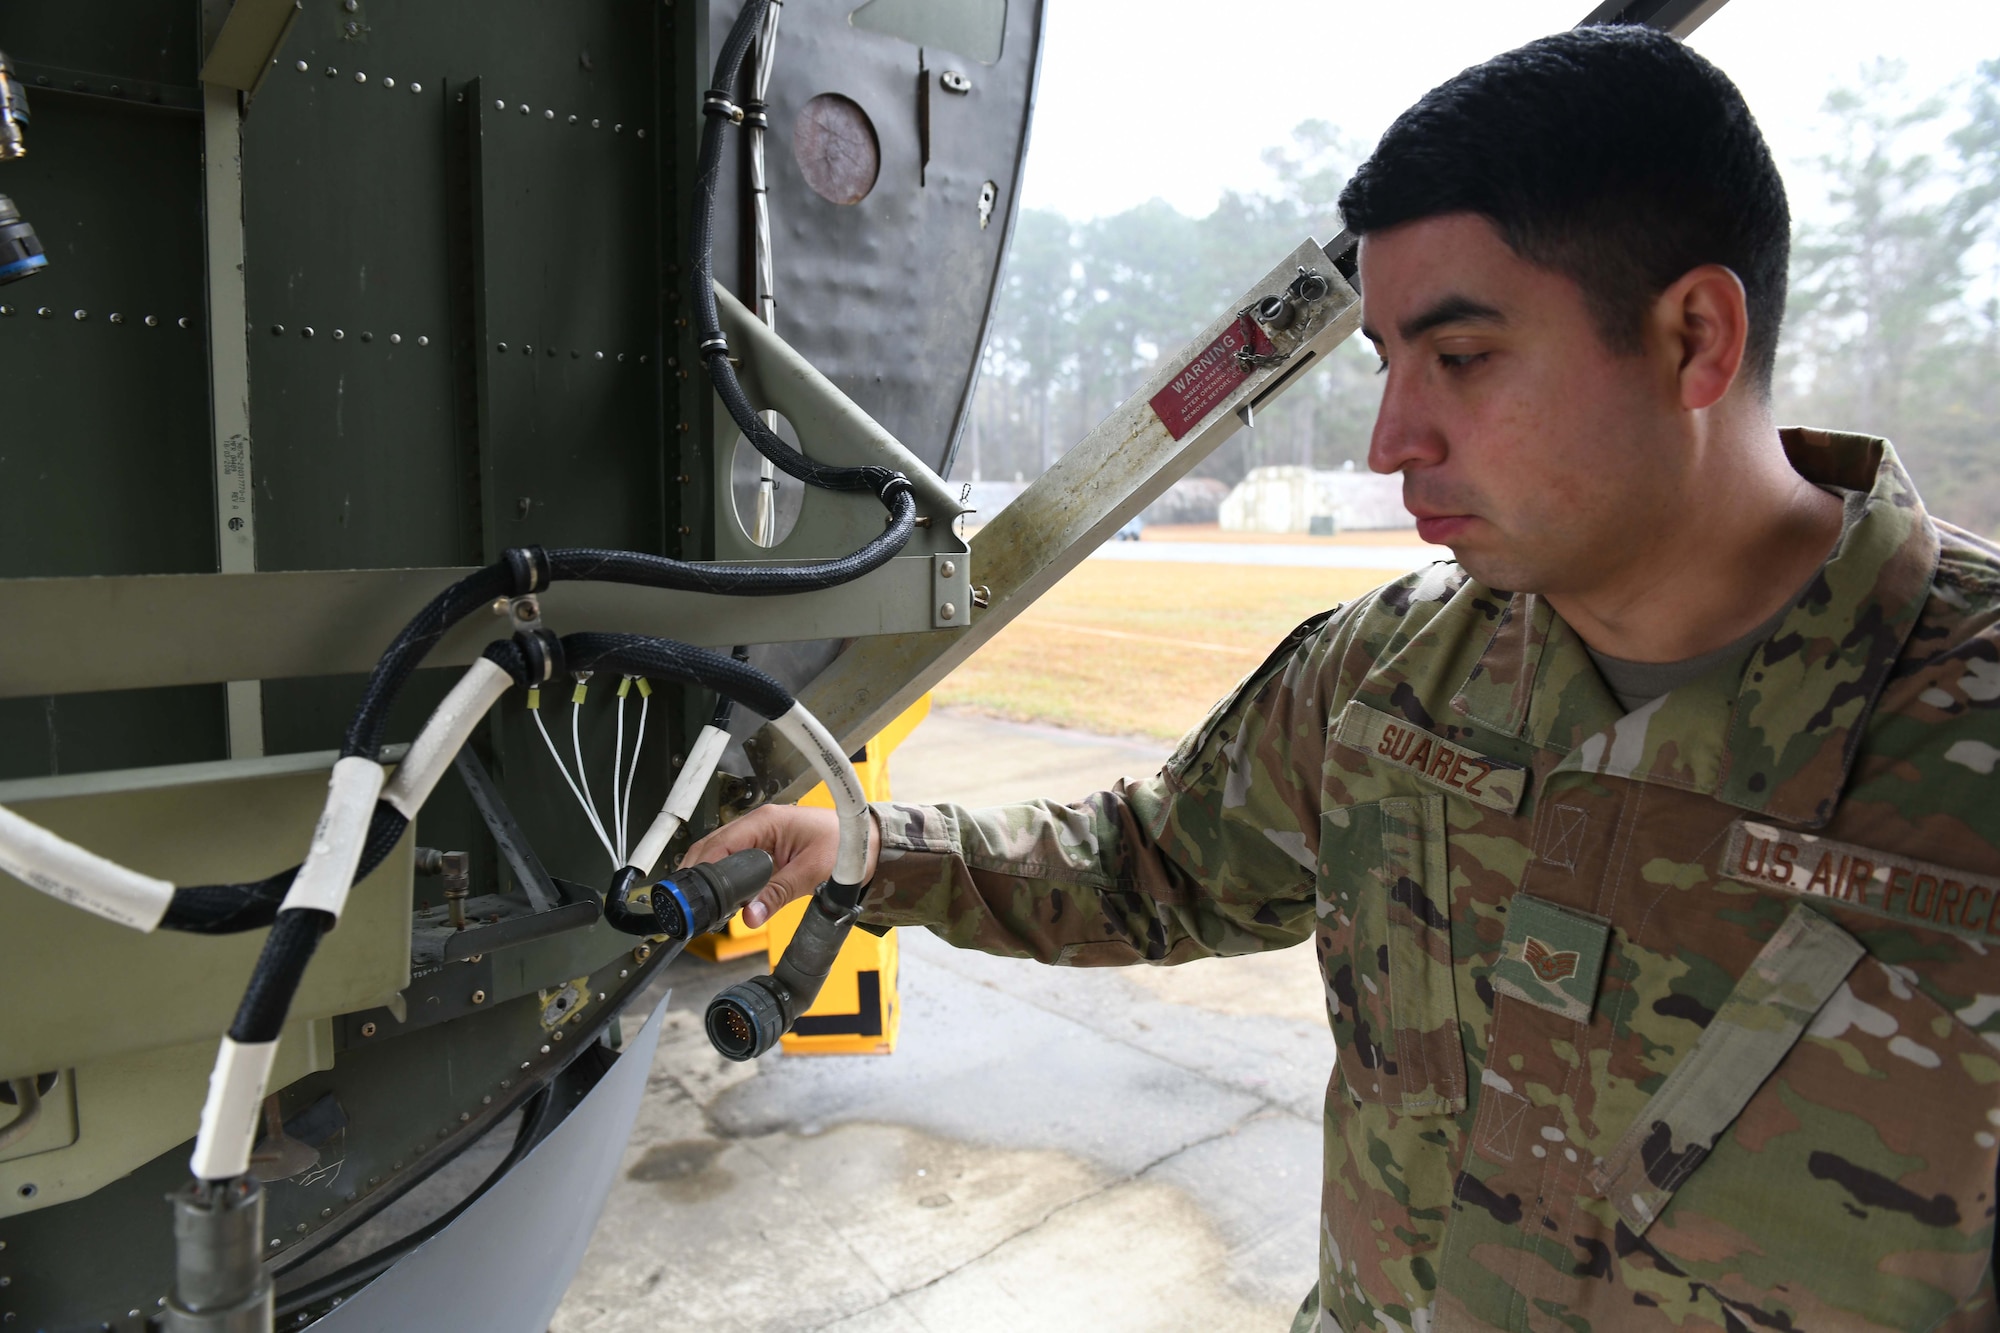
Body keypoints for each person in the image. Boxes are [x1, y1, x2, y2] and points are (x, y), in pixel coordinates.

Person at [686, 23, 2000, 1331]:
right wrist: (865, 846)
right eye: (1386, 363)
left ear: (1694, 337)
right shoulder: (1391, 673)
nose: (1390, 440)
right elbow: (1157, 863)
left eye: (1463, 356)